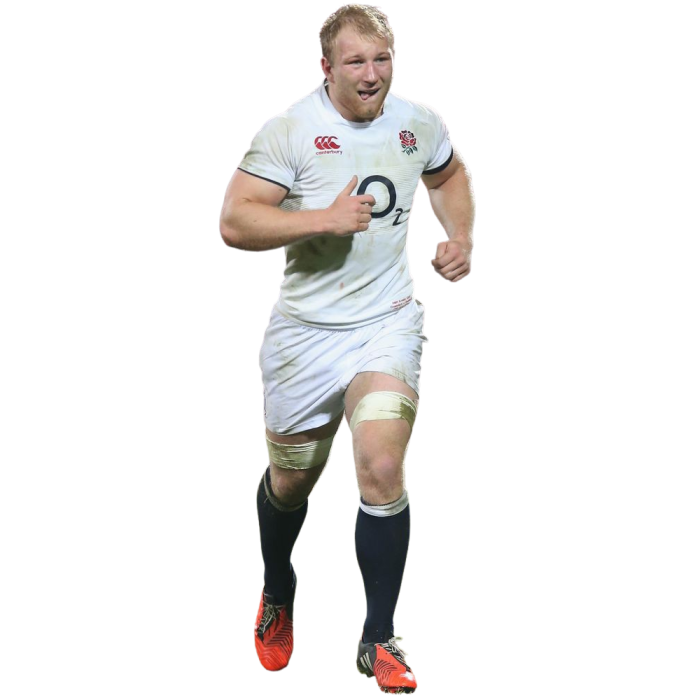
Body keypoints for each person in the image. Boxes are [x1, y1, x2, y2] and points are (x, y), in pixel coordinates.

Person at [219, 4, 475, 695]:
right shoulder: (290, 130)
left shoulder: (418, 121)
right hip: (305, 334)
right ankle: (278, 585)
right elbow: (234, 223)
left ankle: (378, 636)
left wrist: (460, 237)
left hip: (385, 323)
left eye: (382, 58)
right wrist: (322, 219)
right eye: (356, 61)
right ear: (326, 67)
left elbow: (448, 173)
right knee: (291, 482)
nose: (372, 74)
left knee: (382, 463)